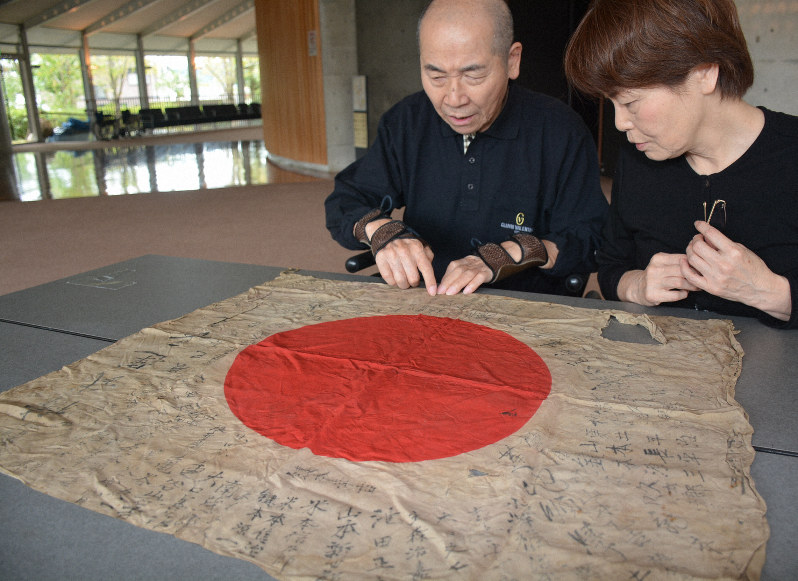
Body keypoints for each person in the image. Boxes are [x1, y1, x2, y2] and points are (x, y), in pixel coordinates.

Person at [325, 0, 607, 297]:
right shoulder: (406, 122)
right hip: (428, 301)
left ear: (512, 61)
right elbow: (346, 199)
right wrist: (383, 232)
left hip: (526, 307)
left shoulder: (559, 130)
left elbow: (590, 238)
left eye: (473, 76)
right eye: (436, 76)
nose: (454, 98)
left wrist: (512, 253)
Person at [564, 0, 798, 328]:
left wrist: (769, 293)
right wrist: (638, 285)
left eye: (631, 101)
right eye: (611, 103)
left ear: (704, 72)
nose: (619, 123)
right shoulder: (638, 160)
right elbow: (610, 268)